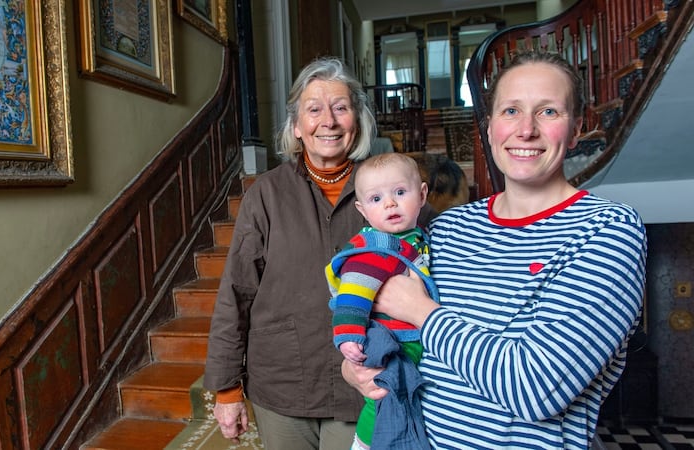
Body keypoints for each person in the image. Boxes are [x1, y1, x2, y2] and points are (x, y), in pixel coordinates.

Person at [342, 50, 648, 449]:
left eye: (549, 112)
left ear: (576, 130)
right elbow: (389, 324)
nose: (526, 130)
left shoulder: (606, 230)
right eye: (511, 111)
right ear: (489, 129)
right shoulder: (448, 227)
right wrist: (356, 367)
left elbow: (536, 389)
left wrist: (420, 310)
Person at [203, 57, 437, 450]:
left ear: (357, 122)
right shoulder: (266, 194)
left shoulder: (396, 188)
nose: (327, 121)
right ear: (297, 126)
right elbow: (236, 292)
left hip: (369, 382)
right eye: (314, 110)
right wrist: (226, 388)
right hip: (282, 383)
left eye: (341, 108)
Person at [326, 152, 439, 449]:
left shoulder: (414, 238)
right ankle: (364, 444)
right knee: (386, 396)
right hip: (386, 337)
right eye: (376, 199)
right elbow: (353, 293)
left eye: (400, 193)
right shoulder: (377, 249)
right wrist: (348, 335)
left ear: (422, 194)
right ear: (362, 210)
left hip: (403, 336)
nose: (390, 203)